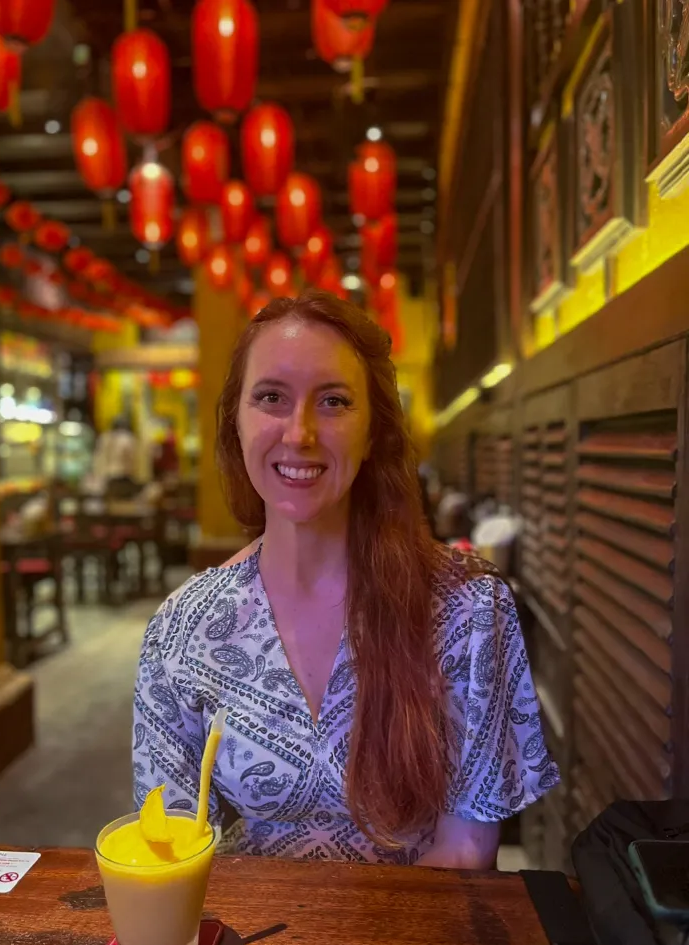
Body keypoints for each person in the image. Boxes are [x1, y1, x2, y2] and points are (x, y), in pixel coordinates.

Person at [133, 292, 559, 867]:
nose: (299, 433)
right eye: (271, 398)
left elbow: (464, 851)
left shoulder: (468, 610)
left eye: (333, 401)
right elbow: (168, 845)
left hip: (416, 918)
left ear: (373, 431)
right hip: (243, 920)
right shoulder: (182, 628)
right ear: (236, 421)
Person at [93, 415, 138, 499]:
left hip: (106, 477)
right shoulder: (128, 438)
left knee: (110, 500)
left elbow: (98, 458)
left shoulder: (104, 437)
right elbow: (131, 458)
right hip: (123, 475)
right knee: (122, 501)